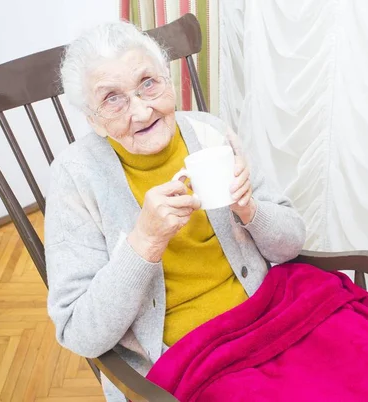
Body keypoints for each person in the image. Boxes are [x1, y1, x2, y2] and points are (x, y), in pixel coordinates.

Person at [45, 20, 306, 401]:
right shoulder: (75, 177)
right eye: (112, 99)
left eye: (148, 83)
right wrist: (144, 242)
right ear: (94, 121)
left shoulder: (209, 133)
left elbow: (292, 243)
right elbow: (79, 333)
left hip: (267, 318)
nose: (141, 110)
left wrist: (250, 210)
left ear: (168, 81)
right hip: (185, 359)